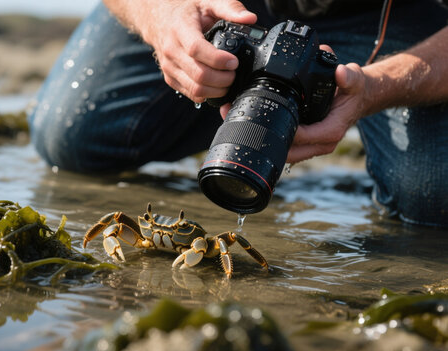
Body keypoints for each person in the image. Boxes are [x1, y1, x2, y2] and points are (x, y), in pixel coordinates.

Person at [28, 0, 448, 227]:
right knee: (66, 135)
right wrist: (162, 18)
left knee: (433, 192)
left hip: (402, 13)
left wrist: (378, 86)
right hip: (233, 7)